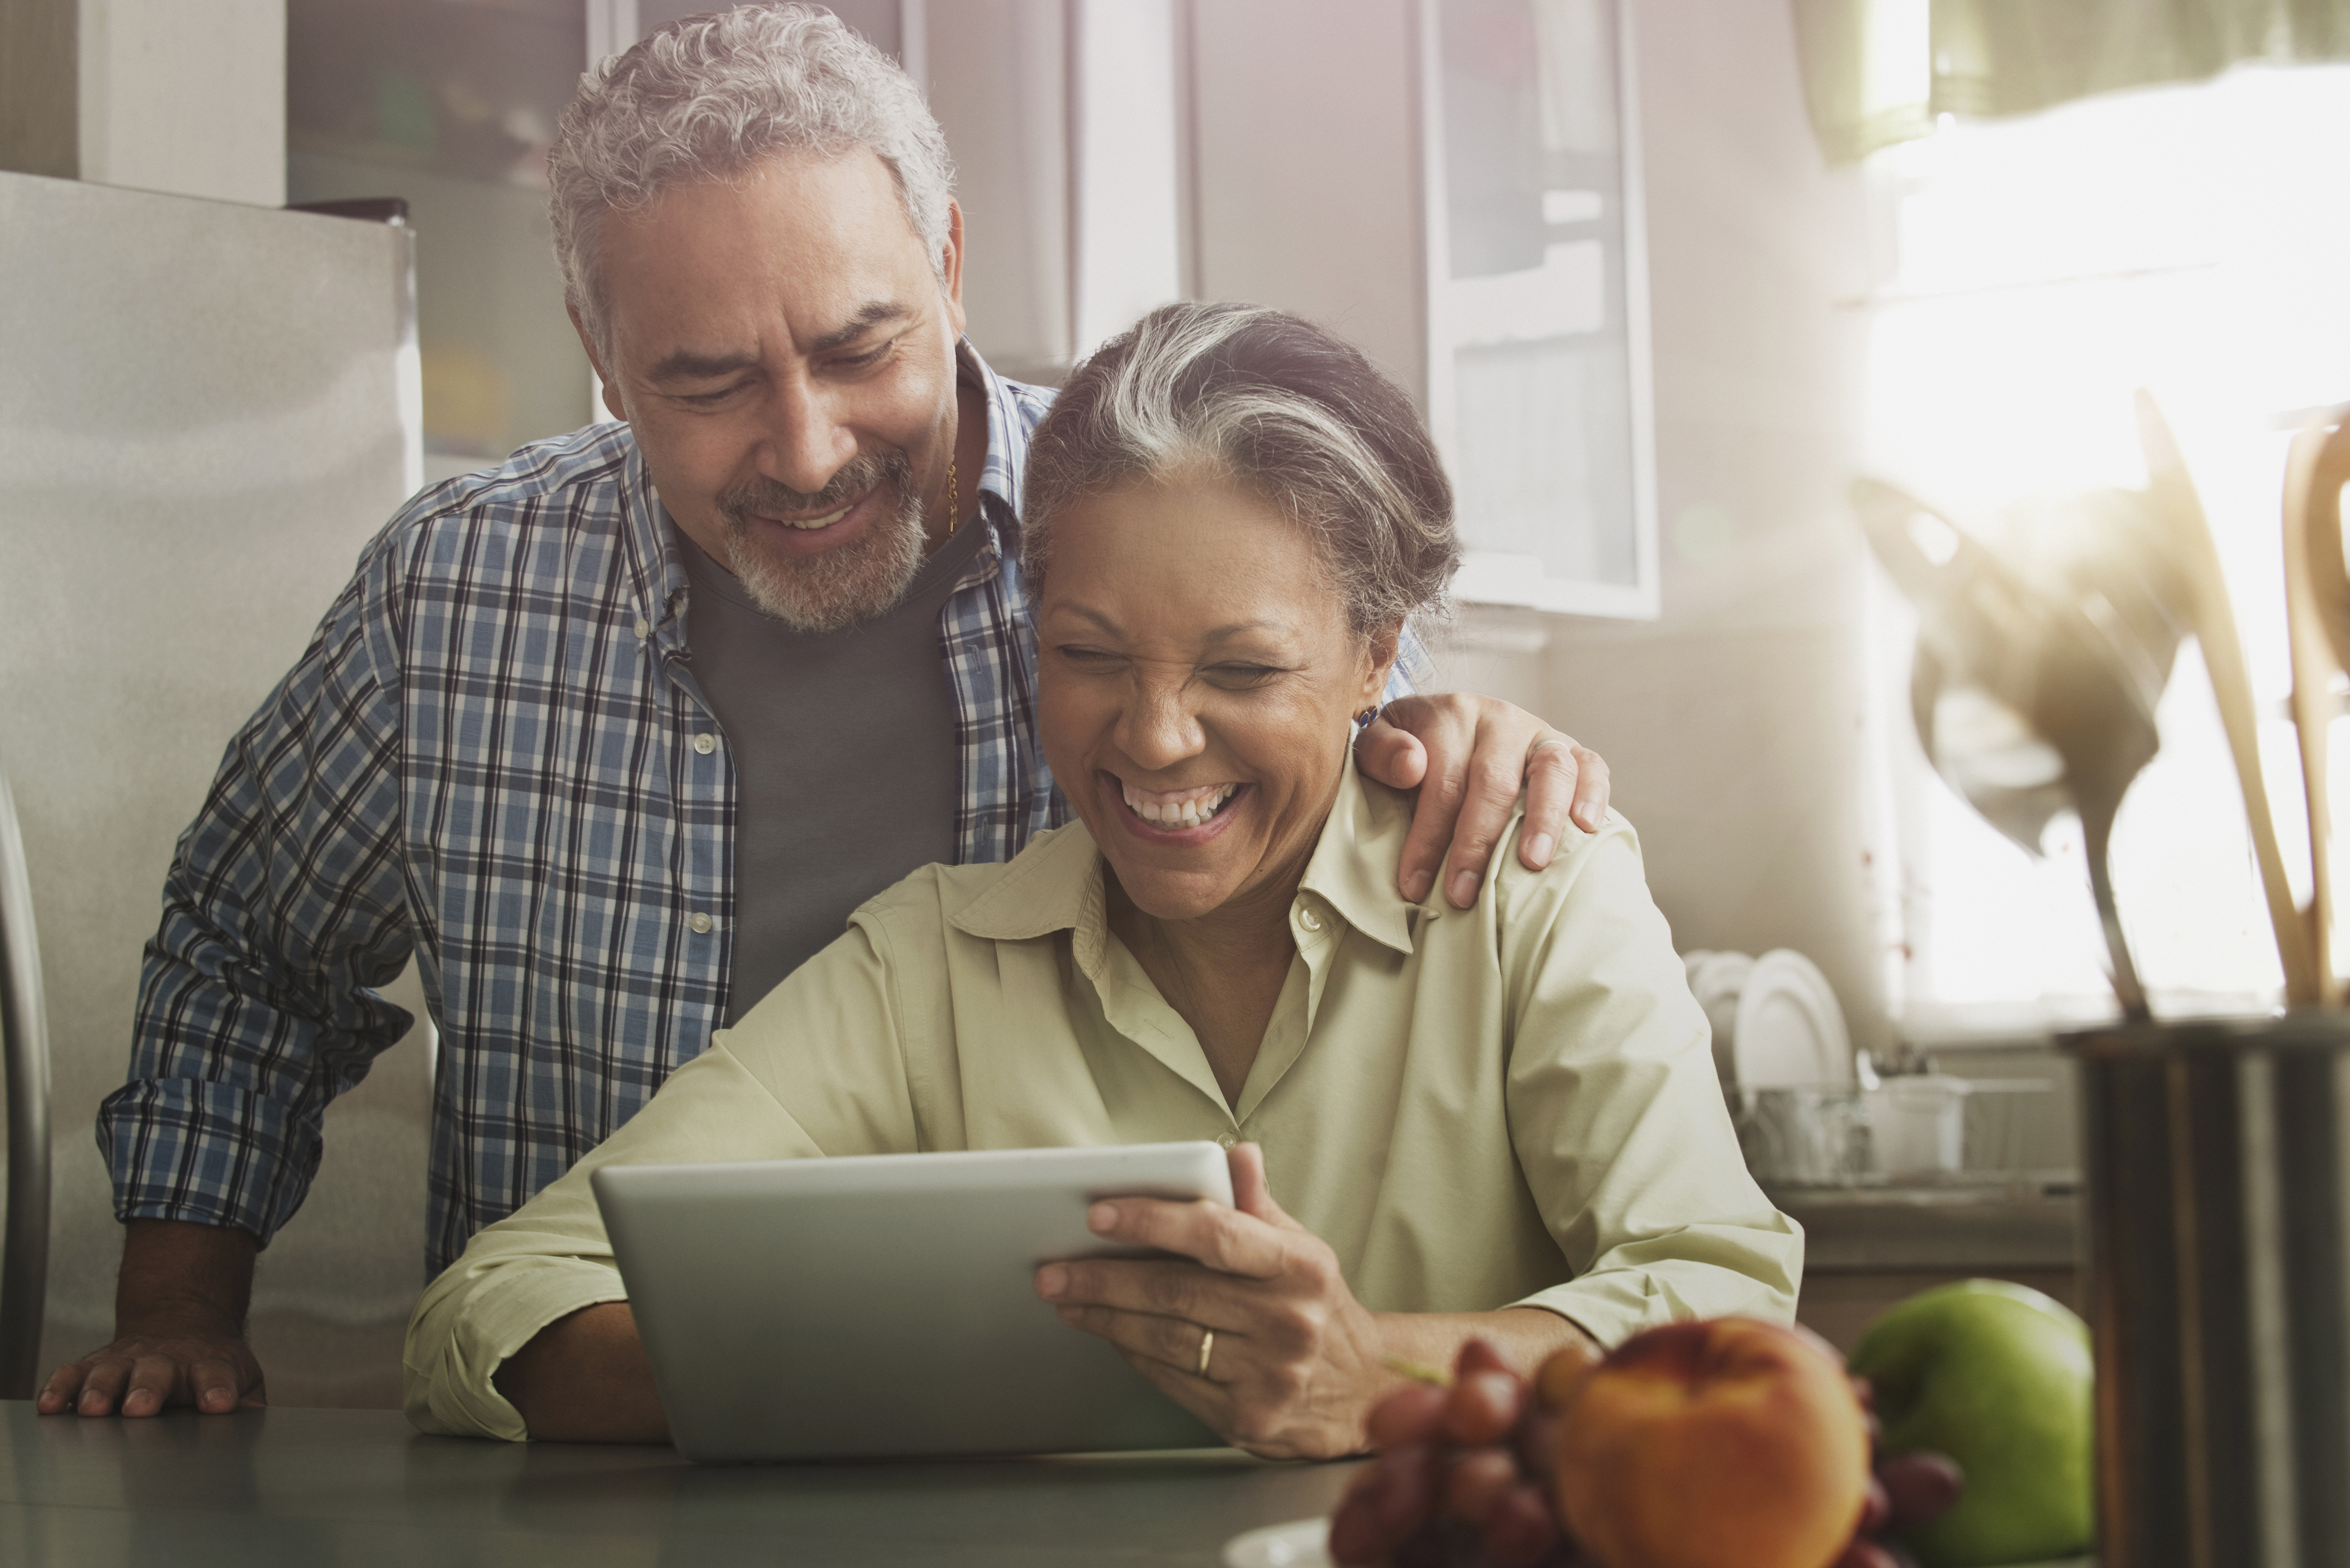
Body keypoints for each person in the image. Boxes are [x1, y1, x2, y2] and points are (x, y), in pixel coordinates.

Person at [42, 6, 1612, 1421]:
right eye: (708, 382)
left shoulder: (1159, 529)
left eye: (861, 351)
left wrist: (1468, 736)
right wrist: (178, 1316)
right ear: (600, 356)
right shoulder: (455, 590)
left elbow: (1360, 778)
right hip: (601, 1452)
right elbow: (249, 945)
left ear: (945, 260)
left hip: (1083, 1467)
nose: (804, 450)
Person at [404, 302, 1796, 1455]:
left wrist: (1383, 1376)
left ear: (1380, 657)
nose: (1155, 737)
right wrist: (921, 1375)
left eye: (1243, 670)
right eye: (1086, 656)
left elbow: (1727, 1321)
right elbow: (500, 1302)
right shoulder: (928, 970)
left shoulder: (1531, 891)